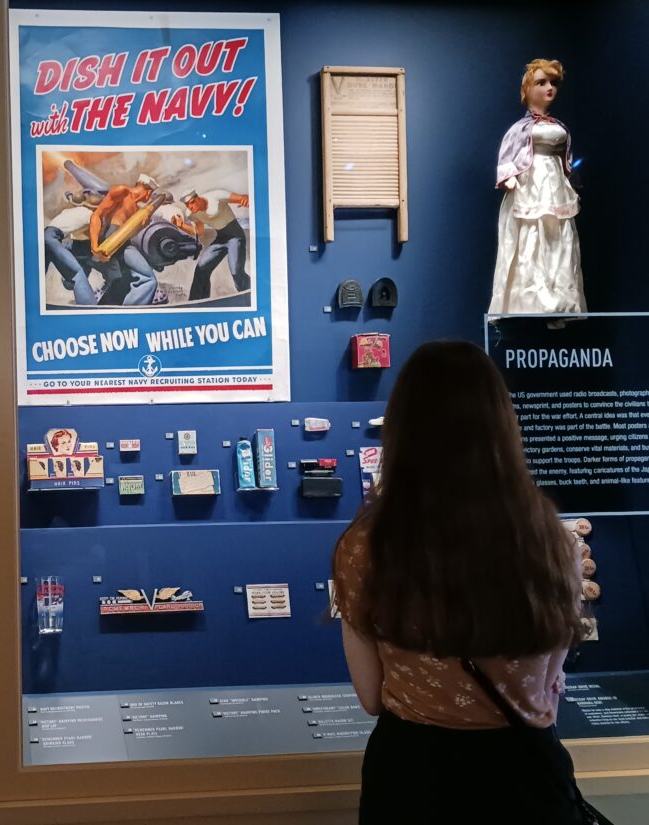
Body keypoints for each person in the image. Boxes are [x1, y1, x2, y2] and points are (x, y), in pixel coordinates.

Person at [332, 341, 588, 824]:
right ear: (501, 426)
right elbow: (551, 686)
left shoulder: (364, 549)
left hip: (415, 780)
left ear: (403, 430)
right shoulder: (556, 543)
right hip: (526, 781)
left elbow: (370, 696)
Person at [489, 59, 585, 326]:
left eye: (553, 83)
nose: (549, 88)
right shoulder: (521, 128)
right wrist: (509, 178)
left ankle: (559, 302)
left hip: (555, 186)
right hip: (529, 185)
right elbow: (508, 154)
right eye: (542, 82)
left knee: (559, 240)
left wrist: (571, 179)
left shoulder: (558, 125)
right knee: (530, 239)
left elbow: (567, 159)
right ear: (528, 87)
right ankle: (529, 300)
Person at [89, 173, 162, 305]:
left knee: (125, 282)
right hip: (111, 239)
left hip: (123, 242)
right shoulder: (121, 191)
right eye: (151, 194)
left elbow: (128, 232)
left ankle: (107, 309)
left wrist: (141, 227)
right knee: (148, 280)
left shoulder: (137, 210)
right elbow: (97, 215)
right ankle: (132, 312)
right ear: (148, 191)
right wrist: (94, 245)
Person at [171, 189, 251, 300]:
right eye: (187, 205)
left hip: (235, 236)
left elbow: (243, 197)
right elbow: (200, 232)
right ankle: (197, 301)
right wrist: (181, 226)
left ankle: (250, 295)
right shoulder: (191, 214)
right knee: (201, 268)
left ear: (198, 198)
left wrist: (246, 199)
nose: (190, 207)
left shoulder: (216, 196)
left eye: (192, 203)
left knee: (236, 271)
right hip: (221, 238)